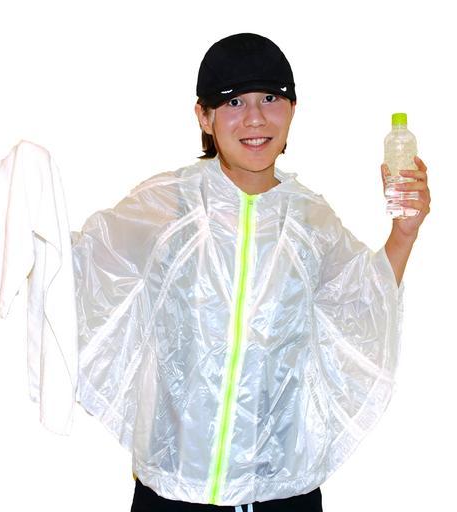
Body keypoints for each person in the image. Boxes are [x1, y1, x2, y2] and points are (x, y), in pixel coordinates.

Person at [70, 32, 430, 512]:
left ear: (293, 109)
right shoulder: (165, 206)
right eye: (234, 101)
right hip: (176, 488)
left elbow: (363, 301)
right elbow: (76, 270)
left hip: (282, 490)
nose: (255, 118)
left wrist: (404, 233)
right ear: (204, 116)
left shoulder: (310, 218)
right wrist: (27, 214)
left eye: (271, 98)